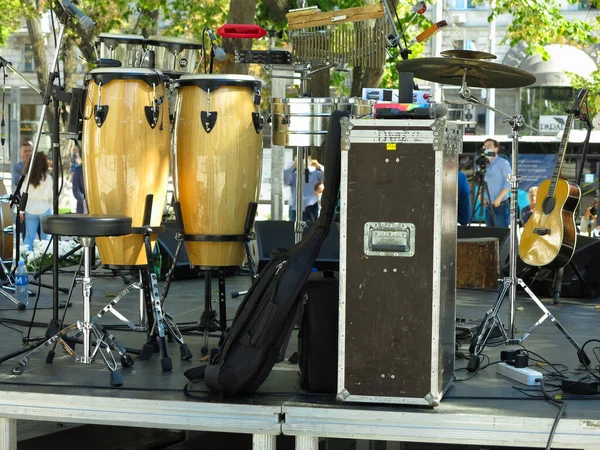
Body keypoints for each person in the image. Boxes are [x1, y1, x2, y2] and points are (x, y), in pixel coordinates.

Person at [21, 152, 52, 250]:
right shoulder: (48, 178)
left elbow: (22, 194)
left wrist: (21, 211)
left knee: (29, 237)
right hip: (44, 209)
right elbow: (50, 196)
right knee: (46, 238)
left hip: (30, 209)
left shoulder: (26, 178)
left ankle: (25, 260)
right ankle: (45, 260)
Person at [284, 152, 324, 222]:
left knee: (313, 230)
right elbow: (284, 180)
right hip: (295, 209)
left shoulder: (317, 174)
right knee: (293, 230)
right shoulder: (294, 176)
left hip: (312, 208)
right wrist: (293, 166)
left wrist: (319, 166)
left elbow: (330, 177)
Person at [483, 138, 511, 228]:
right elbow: (482, 182)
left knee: (501, 235)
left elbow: (509, 182)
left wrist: (499, 198)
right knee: (489, 237)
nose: (486, 148)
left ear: (496, 149)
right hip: (488, 207)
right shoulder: (484, 165)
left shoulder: (503, 163)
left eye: (489, 146)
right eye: (485, 146)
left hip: (500, 206)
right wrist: (481, 196)